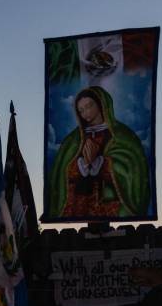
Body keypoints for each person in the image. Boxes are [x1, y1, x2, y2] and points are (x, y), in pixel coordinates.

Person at [48, 86, 149, 219]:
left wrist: (101, 163)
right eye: (81, 110)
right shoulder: (74, 139)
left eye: (89, 106)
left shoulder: (122, 135)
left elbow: (132, 165)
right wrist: (81, 164)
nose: (86, 113)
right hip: (78, 203)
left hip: (110, 203)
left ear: (101, 104)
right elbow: (61, 169)